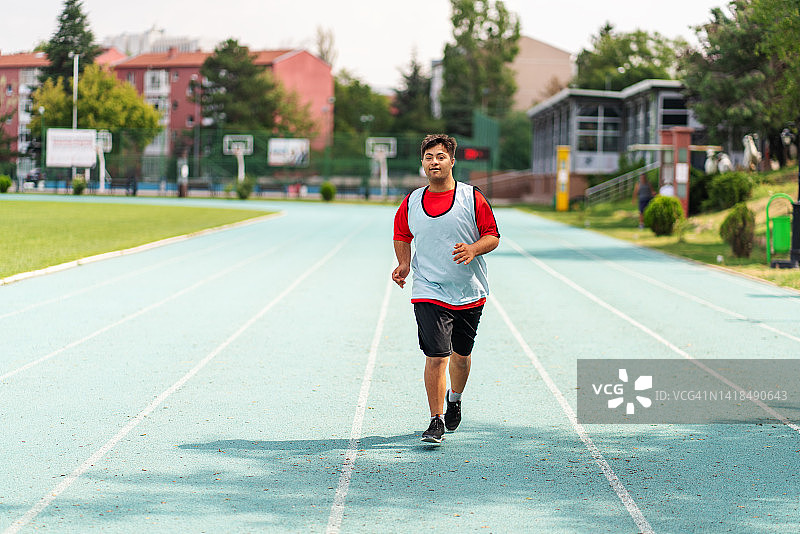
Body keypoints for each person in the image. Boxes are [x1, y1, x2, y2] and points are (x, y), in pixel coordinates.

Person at [392, 134, 500, 444]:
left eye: (440, 157)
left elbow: (492, 235)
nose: (434, 162)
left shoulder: (472, 198)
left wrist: (473, 249)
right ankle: (435, 419)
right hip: (428, 288)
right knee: (437, 355)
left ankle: (455, 399)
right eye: (429, 157)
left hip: (468, 290)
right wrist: (404, 264)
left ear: (452, 161)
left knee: (460, 357)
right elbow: (402, 233)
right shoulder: (412, 201)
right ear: (422, 163)